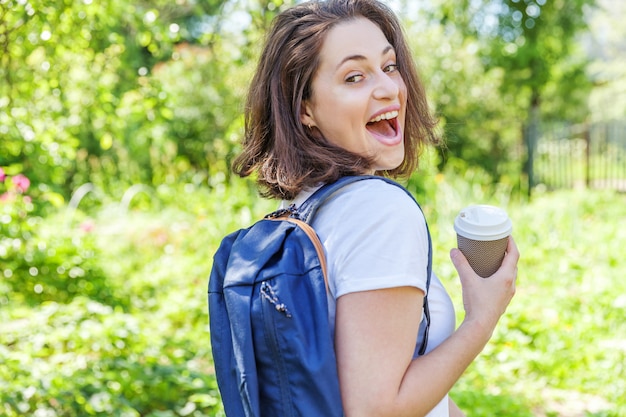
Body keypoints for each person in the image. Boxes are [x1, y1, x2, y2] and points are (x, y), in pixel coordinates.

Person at [232, 0, 520, 416]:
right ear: (304, 108)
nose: (389, 89)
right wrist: (482, 319)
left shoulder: (304, 209)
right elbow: (376, 408)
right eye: (354, 76)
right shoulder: (379, 211)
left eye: (389, 66)